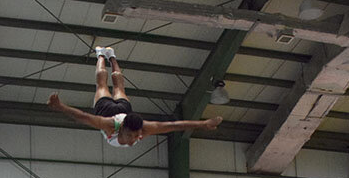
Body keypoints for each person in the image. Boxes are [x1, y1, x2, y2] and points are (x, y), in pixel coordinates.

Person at [47, 46, 223, 147]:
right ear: (122, 128)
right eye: (132, 136)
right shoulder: (109, 126)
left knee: (115, 86)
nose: (134, 140)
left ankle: (111, 56)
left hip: (122, 110)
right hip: (108, 112)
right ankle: (101, 54)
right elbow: (84, 117)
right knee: (103, 84)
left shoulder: (143, 128)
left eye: (136, 136)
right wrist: (60, 107)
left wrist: (203, 124)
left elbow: (174, 125)